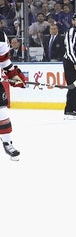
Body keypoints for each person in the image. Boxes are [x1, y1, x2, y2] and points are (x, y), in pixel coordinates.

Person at [0, 32, 25, 160]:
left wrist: (13, 74)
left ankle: (7, 143)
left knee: (2, 113)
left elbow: (4, 60)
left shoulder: (1, 36)